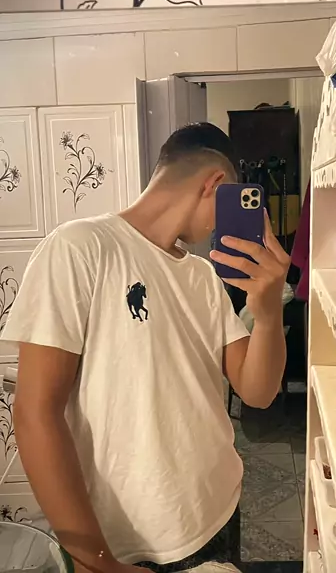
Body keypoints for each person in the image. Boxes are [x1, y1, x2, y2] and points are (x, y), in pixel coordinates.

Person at [1, 123, 289, 573]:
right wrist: (97, 562)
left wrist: (268, 312)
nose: (221, 224)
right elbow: (35, 413)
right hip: (121, 542)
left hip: (217, 512)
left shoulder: (203, 276)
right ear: (215, 185)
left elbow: (258, 392)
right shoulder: (80, 247)